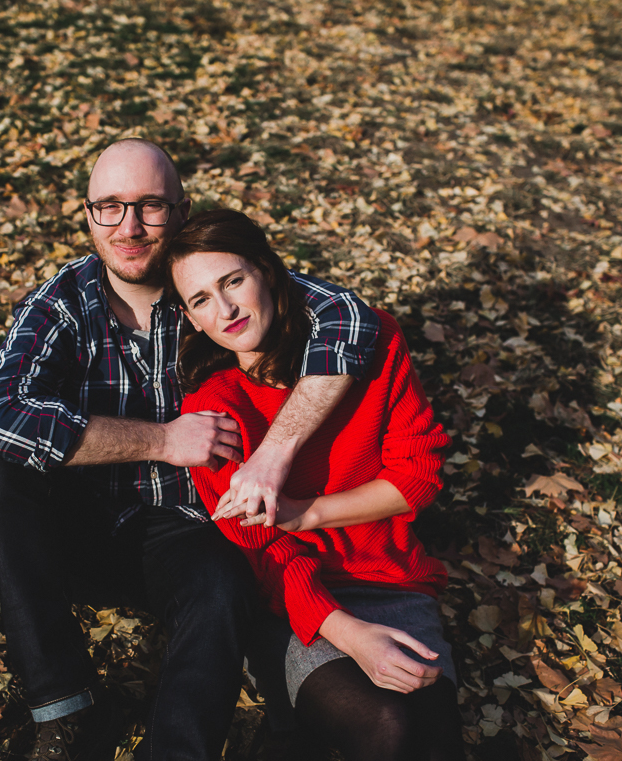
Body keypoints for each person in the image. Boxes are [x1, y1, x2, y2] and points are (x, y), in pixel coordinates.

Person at [0, 139, 381, 760]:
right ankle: (68, 706)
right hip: (78, 531)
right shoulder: (62, 302)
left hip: (187, 528)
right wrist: (163, 440)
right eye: (110, 207)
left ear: (181, 213)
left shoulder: (208, 288)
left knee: (220, 590)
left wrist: (275, 455)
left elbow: (347, 317)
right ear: (89, 216)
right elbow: (1, 415)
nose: (129, 227)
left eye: (150, 207)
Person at [169, 209, 466, 761]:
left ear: (266, 270)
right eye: (201, 299)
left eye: (232, 281)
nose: (226, 309)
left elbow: (418, 477)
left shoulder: (372, 344)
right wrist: (352, 636)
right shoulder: (213, 410)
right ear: (190, 318)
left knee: (436, 744)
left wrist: (306, 512)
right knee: (385, 726)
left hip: (393, 581)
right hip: (296, 604)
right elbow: (262, 552)